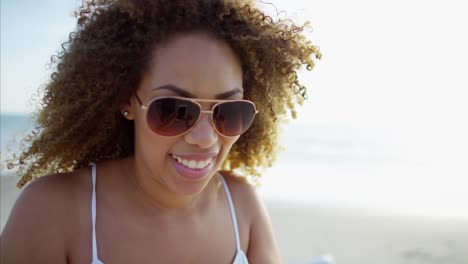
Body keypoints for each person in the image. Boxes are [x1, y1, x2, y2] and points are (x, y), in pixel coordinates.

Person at [1, 0, 321, 263]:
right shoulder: (52, 212)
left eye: (229, 112)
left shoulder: (243, 207)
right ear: (126, 100)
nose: (205, 138)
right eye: (175, 111)